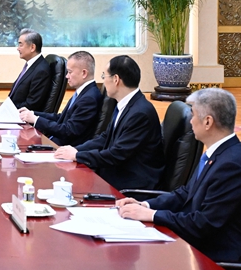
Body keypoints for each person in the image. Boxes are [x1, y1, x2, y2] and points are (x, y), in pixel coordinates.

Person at [117, 88, 241, 263]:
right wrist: (145, 205)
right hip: (197, 247)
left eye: (193, 115)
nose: (191, 121)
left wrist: (153, 215)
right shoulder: (218, 154)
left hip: (217, 261)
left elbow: (203, 224)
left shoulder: (232, 165)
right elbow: (186, 194)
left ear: (208, 121)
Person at [55, 55, 165, 191]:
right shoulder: (124, 104)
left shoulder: (140, 113)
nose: (103, 81)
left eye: (104, 76)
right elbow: (105, 137)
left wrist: (77, 155)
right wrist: (76, 150)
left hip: (131, 183)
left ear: (116, 79)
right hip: (115, 173)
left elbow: (116, 154)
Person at [19, 51, 103, 146]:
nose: (67, 76)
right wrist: (32, 114)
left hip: (62, 148)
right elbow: (61, 118)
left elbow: (68, 130)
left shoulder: (89, 99)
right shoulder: (83, 92)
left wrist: (36, 120)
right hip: (55, 141)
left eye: (70, 72)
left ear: (84, 73)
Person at [8, 28, 52, 112]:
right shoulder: (30, 65)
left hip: (20, 115)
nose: (18, 48)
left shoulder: (41, 71)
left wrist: (9, 109)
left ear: (32, 47)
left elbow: (32, 104)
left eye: (21, 45)